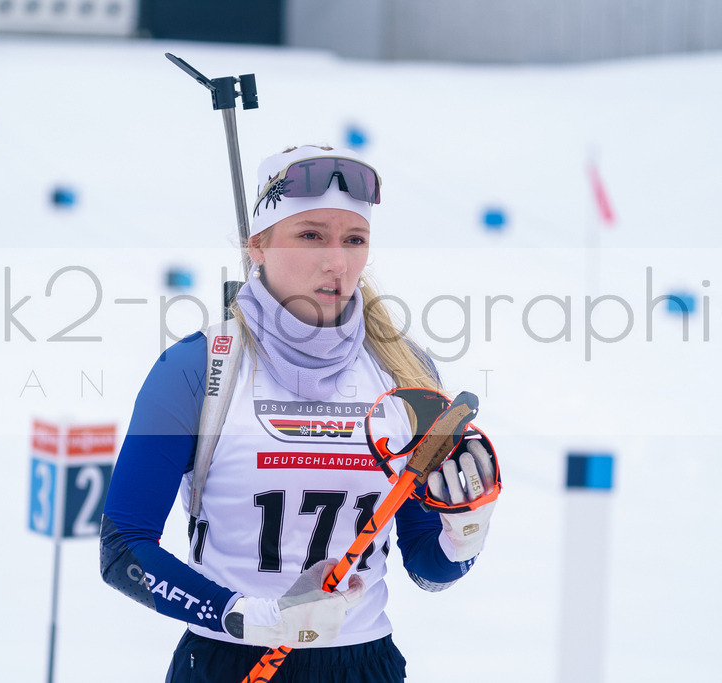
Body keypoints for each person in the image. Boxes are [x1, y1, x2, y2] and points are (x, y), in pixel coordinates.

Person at [100, 144, 498, 682]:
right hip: (226, 660)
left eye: (354, 240)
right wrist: (247, 617)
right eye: (310, 235)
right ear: (257, 245)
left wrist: (462, 535)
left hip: (362, 665)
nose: (337, 262)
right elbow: (123, 547)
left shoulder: (405, 371)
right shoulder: (197, 368)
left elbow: (428, 568)